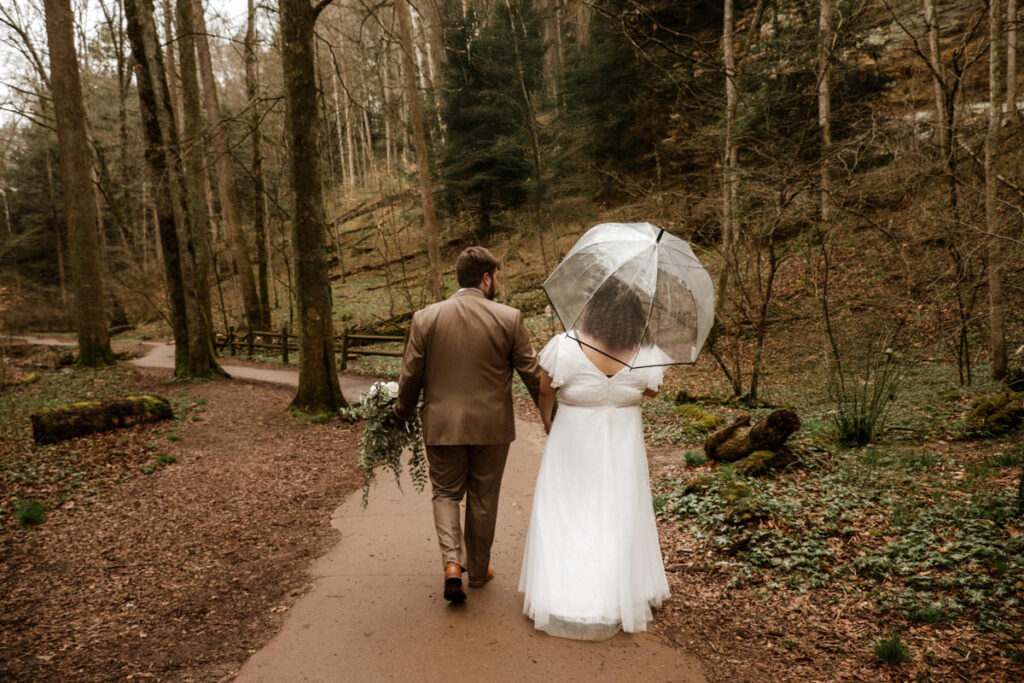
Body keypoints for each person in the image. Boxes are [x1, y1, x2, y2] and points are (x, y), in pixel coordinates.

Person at [519, 277, 671, 639]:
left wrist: (546, 417)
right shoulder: (646, 352)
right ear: (634, 315)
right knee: (617, 512)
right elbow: (650, 392)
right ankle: (618, 592)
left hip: (571, 440)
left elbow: (546, 387)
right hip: (622, 444)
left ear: (594, 309)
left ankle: (564, 592)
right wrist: (618, 390)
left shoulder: (565, 346)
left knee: (567, 512)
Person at [393, 246, 542, 603]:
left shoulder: (426, 318)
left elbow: (411, 374)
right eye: (496, 277)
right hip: (492, 428)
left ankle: (451, 565)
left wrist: (402, 409)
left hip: (442, 425)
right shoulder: (509, 318)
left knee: (445, 493)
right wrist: (552, 414)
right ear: (486, 278)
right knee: (483, 495)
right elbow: (532, 375)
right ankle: (477, 570)